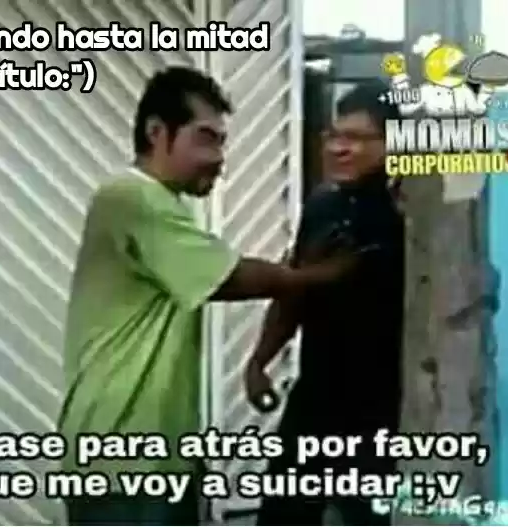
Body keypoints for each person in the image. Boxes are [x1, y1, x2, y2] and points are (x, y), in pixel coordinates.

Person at [58, 66, 368, 526]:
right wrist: (326, 274)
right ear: (157, 133)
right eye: (205, 139)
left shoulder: (159, 203)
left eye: (222, 142)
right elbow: (232, 278)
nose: (218, 158)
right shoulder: (132, 199)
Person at [246, 80, 406, 526]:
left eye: (355, 138)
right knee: (283, 515)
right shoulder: (321, 206)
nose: (338, 148)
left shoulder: (408, 215)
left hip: (380, 408)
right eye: (333, 135)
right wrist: (259, 360)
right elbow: (295, 290)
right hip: (316, 396)